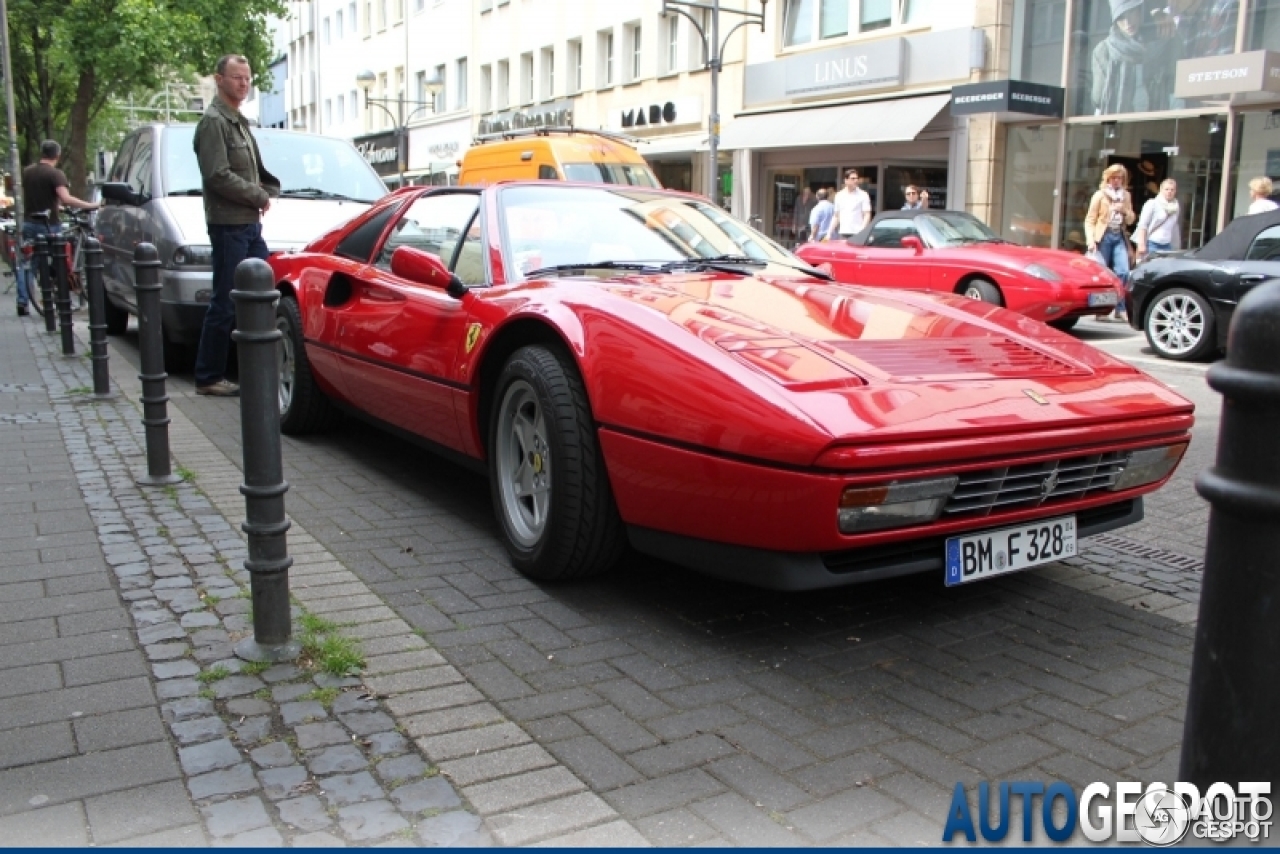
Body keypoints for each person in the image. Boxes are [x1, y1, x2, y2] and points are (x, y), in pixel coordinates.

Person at [192, 54, 280, 397]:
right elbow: (217, 175)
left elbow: (253, 168)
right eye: (236, 77)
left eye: (247, 78)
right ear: (220, 79)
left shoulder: (237, 120)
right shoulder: (215, 121)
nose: (243, 83)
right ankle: (209, 375)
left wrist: (268, 188)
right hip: (230, 224)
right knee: (226, 300)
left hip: (247, 223)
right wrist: (257, 195)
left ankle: (254, 368)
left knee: (261, 292)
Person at [16, 140, 101, 316]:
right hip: (48, 225)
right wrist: (91, 205)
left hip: (29, 223)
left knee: (29, 264)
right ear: (58, 155)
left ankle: (23, 301)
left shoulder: (28, 172)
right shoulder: (56, 175)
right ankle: (61, 299)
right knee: (59, 262)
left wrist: (57, 206)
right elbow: (66, 197)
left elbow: (40, 197)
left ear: (42, 153)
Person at [1085, 163, 1136, 322]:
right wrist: (1091, 240)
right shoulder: (1100, 195)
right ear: (1108, 178)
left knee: (1123, 271)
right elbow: (1090, 219)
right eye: (1113, 177)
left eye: (1119, 178)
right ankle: (1101, 309)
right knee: (1103, 274)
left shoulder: (1125, 196)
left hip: (1118, 234)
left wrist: (1124, 210)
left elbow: (1131, 219)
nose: (1116, 181)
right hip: (1104, 236)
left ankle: (1120, 309)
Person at [1091, 0, 1147, 116]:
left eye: (1131, 12)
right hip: (1119, 123)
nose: (1127, 22)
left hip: (1153, 118)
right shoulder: (1104, 50)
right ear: (1115, 21)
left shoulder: (1154, 44)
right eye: (1121, 17)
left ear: (1140, 11)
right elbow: (1099, 99)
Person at [1134, 178, 1181, 260]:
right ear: (1161, 190)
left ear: (1175, 191)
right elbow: (1143, 225)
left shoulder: (1176, 207)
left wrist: (1176, 246)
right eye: (1166, 189)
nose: (1169, 192)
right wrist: (1141, 244)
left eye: (1172, 190)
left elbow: (1174, 227)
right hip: (1152, 243)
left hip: (1167, 245)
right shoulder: (1152, 203)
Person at [826, 169, 872, 240]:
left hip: (857, 233)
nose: (855, 181)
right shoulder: (839, 195)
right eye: (853, 179)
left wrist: (861, 231)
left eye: (857, 179)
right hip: (843, 233)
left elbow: (867, 214)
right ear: (846, 180)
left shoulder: (863, 195)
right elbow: (836, 216)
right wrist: (829, 233)